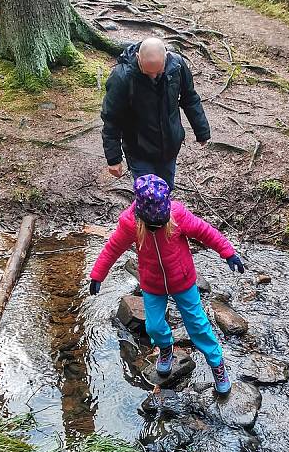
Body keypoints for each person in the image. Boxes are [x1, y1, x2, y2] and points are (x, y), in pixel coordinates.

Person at [88, 174, 245, 394]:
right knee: (153, 325)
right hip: (152, 283)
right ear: (141, 218)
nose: (155, 229)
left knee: (198, 325)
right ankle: (166, 348)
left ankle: (217, 365)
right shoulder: (130, 223)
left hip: (183, 281)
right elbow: (112, 248)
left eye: (159, 226)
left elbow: (205, 232)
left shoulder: (178, 215)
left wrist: (228, 253)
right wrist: (98, 275)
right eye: (151, 226)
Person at [100, 37, 210, 189]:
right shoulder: (122, 77)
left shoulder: (177, 66)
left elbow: (190, 98)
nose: (153, 76)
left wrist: (202, 131)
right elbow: (111, 118)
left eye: (158, 71)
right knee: (149, 196)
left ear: (166, 56)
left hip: (169, 147)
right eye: (147, 72)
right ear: (138, 57)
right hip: (139, 150)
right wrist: (113, 158)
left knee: (166, 190)